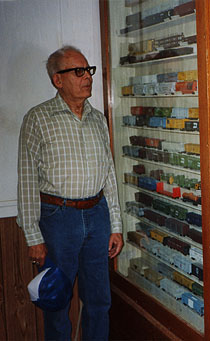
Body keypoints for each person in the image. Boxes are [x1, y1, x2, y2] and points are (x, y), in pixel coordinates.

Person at [17, 45, 123, 340]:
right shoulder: (38, 118)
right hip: (58, 218)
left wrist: (116, 226)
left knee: (99, 300)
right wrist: (33, 237)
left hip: (97, 214)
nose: (87, 77)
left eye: (88, 70)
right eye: (78, 71)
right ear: (57, 80)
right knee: (57, 301)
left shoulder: (98, 119)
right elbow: (26, 180)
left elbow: (109, 176)